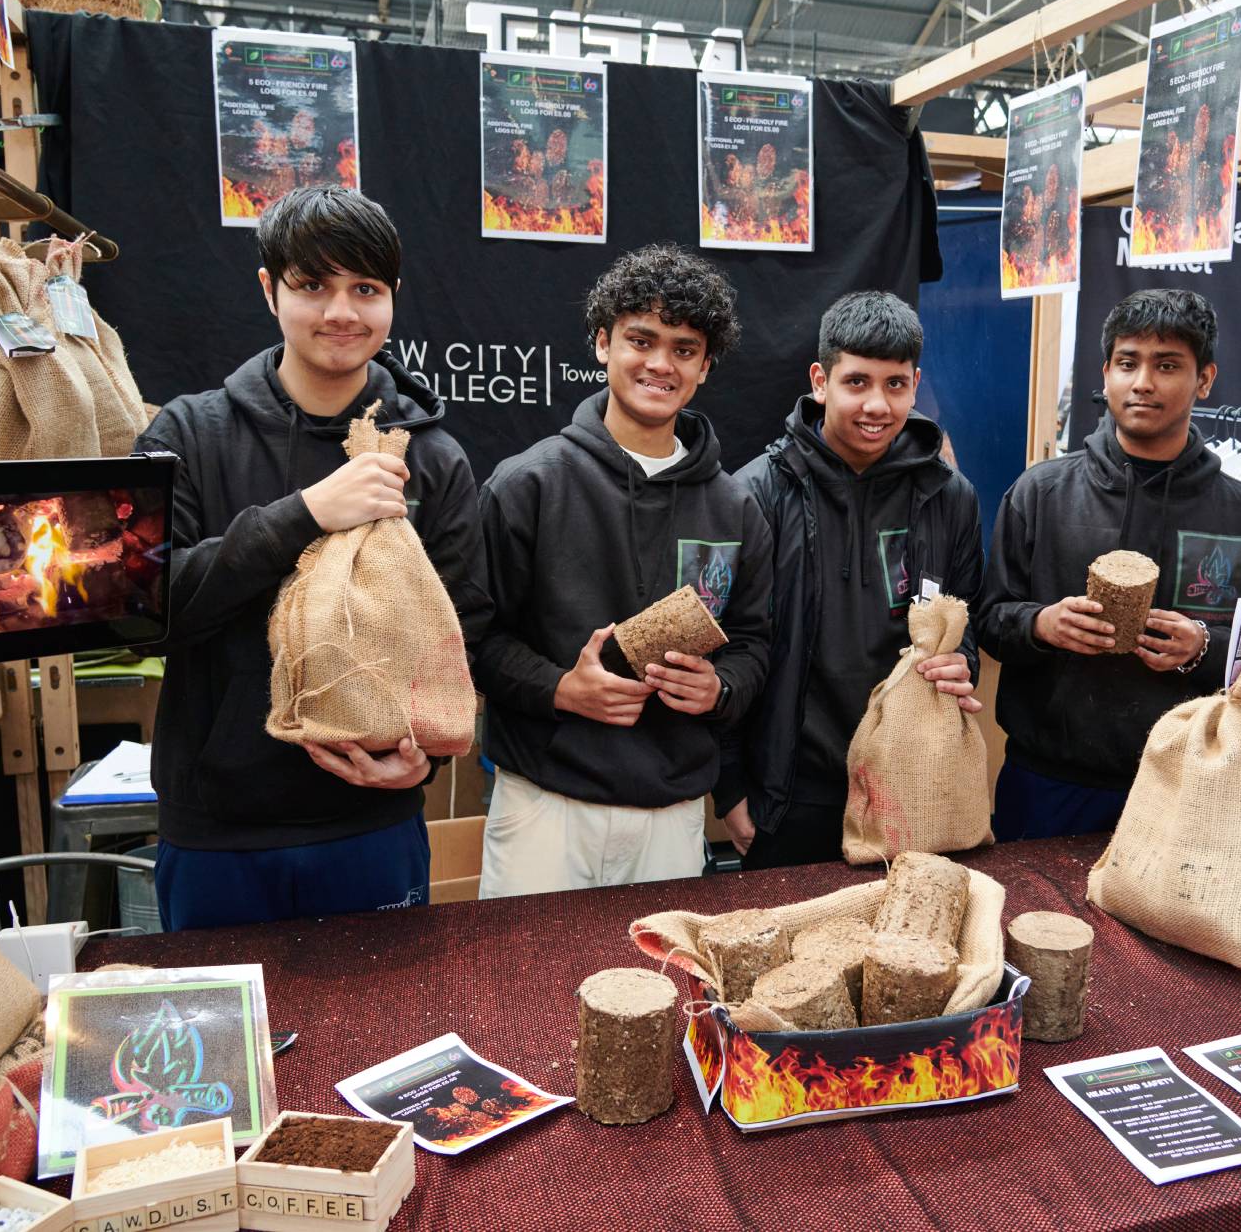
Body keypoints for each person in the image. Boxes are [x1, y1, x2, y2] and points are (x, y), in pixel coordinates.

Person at [135, 185, 492, 931]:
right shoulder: (190, 434)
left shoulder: (432, 458)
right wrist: (305, 515)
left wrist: (424, 757)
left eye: (365, 288)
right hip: (216, 835)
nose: (341, 312)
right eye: (312, 285)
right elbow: (145, 612)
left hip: (372, 824)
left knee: (383, 1037)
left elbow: (464, 634)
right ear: (270, 290)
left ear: (393, 297)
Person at [473, 243, 771, 896]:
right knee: (531, 997)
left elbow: (753, 644)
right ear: (604, 343)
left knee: (664, 995)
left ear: (705, 366)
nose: (660, 363)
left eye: (684, 348)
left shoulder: (736, 506)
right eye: (642, 339)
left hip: (673, 815)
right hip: (543, 805)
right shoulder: (527, 485)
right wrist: (559, 688)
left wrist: (718, 690)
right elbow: (474, 642)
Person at [975, 288, 1241, 841]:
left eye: (1167, 365)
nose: (1143, 382)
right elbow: (990, 621)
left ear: (1205, 379)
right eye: (1129, 363)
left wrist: (1204, 646)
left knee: (1160, 933)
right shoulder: (1042, 493)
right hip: (1050, 785)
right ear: (1106, 374)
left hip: (1189, 786)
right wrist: (1040, 625)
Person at [714, 291, 983, 868]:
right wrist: (730, 784)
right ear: (820, 380)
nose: (877, 405)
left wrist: (965, 663)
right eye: (857, 382)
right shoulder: (754, 493)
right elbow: (730, 646)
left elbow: (969, 624)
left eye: (895, 385)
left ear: (915, 384)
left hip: (911, 784)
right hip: (788, 792)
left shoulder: (950, 498)